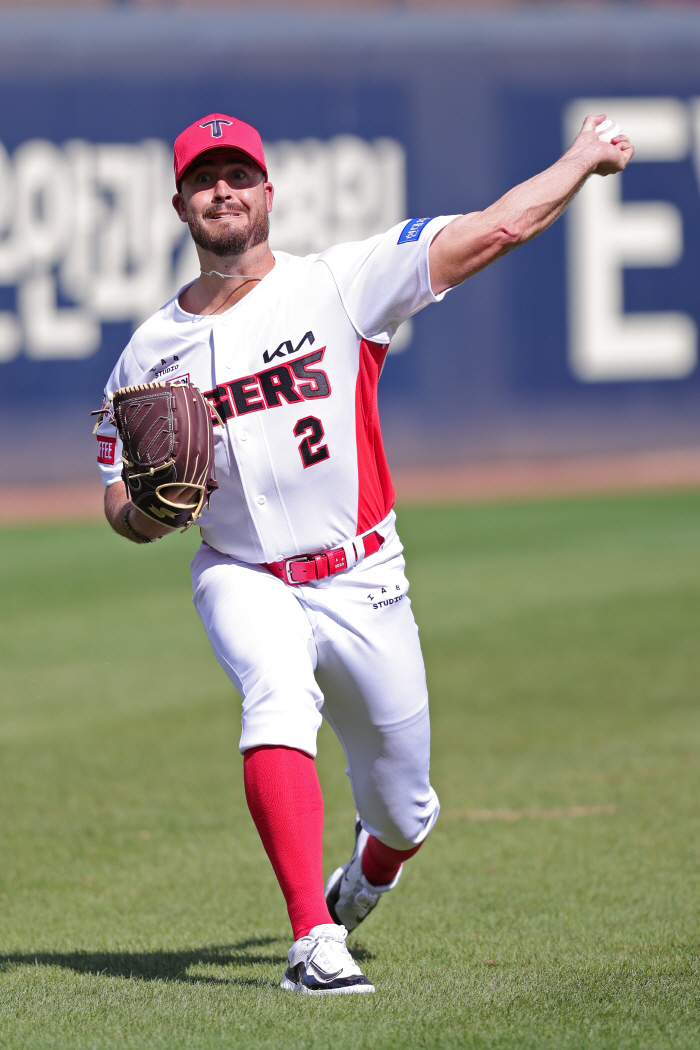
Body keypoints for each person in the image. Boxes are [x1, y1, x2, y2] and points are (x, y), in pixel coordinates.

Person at [95, 111, 632, 995]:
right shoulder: (147, 354)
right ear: (181, 205)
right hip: (242, 572)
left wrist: (577, 160)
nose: (221, 190)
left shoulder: (340, 284)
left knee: (406, 809)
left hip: (363, 574)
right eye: (203, 179)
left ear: (270, 192)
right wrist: (145, 517)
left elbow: (494, 227)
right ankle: (312, 940)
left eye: (238, 175)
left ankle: (369, 873)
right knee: (277, 698)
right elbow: (119, 498)